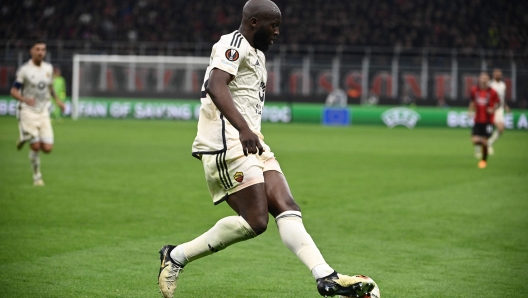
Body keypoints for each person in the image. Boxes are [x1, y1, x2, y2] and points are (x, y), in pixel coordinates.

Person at [157, 1, 376, 297]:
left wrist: (250, 132)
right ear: (254, 22)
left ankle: (326, 276)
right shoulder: (232, 44)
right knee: (255, 221)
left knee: (288, 207)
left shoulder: (258, 55)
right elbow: (216, 85)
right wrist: (244, 129)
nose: (276, 32)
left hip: (252, 141)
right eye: (273, 26)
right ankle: (175, 257)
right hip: (226, 143)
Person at [10, 41, 65, 186]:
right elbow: (13, 91)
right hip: (28, 111)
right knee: (35, 147)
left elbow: (50, 88)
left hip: (43, 111)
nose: (41, 52)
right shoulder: (25, 70)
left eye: (43, 49)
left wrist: (58, 101)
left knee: (47, 148)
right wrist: (24, 99)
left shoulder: (49, 68)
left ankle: (25, 137)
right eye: (38, 49)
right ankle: (37, 177)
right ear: (31, 51)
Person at [468, 72, 499, 169]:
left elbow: (498, 103)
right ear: (479, 79)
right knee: (474, 141)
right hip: (478, 120)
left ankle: (483, 161)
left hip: (488, 121)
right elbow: (472, 101)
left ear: (488, 80)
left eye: (486, 78)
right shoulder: (474, 90)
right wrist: (470, 110)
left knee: (484, 141)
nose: (484, 79)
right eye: (482, 77)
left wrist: (493, 109)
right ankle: (487, 144)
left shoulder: (492, 92)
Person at [487, 68, 509, 154]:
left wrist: (505, 105)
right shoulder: (490, 84)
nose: (497, 74)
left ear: (501, 75)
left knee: (501, 129)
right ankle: (486, 144)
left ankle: (489, 142)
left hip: (500, 109)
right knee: (493, 128)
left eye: (499, 73)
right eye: (496, 73)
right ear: (493, 74)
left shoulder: (503, 85)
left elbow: (502, 98)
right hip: (492, 109)